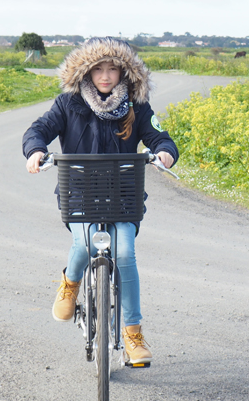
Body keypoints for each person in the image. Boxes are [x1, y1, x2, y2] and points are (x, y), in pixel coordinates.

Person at [22, 37, 177, 366]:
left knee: (124, 254)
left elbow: (159, 136)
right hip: (79, 193)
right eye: (98, 69)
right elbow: (39, 129)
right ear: (86, 73)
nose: (106, 76)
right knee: (83, 246)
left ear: (125, 74)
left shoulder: (137, 107)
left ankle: (133, 334)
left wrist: (165, 152)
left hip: (124, 195)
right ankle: (70, 284)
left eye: (113, 69)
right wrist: (36, 150)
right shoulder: (68, 104)